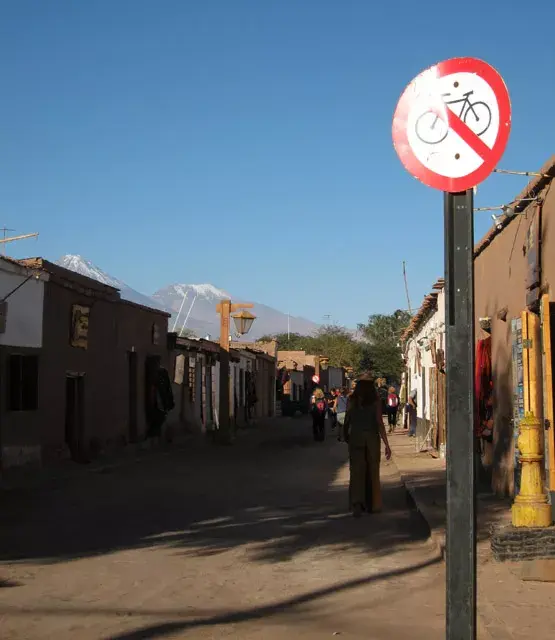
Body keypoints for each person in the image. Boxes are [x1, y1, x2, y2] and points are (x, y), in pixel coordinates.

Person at [344, 379, 392, 517]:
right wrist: (386, 444)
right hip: (371, 439)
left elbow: (347, 419)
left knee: (356, 471)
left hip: (356, 437)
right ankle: (373, 503)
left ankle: (357, 502)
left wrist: (345, 436)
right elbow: (379, 422)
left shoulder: (351, 400)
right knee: (373, 470)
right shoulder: (375, 402)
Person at [310, 377, 327, 441]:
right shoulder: (322, 396)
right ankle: (322, 437)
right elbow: (325, 402)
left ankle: (316, 437)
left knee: (315, 424)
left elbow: (312, 402)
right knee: (321, 424)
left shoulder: (313, 394)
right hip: (322, 411)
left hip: (315, 411)